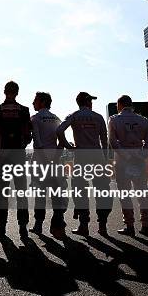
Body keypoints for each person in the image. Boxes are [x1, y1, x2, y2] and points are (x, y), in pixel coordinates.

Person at [57, 92, 112, 236]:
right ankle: (102, 225)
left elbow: (59, 130)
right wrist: (105, 160)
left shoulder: (73, 115)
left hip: (81, 156)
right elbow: (104, 142)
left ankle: (83, 225)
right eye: (91, 101)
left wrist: (67, 145)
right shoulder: (99, 117)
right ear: (88, 102)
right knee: (102, 191)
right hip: (97, 156)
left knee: (80, 190)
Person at [0, 81, 32, 237]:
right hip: (19, 155)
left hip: (2, 155)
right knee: (21, 191)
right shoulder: (24, 111)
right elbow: (29, 135)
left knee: (2, 192)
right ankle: (23, 226)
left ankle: (1, 225)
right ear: (17, 92)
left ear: (4, 91)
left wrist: (2, 144)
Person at [108, 95, 148, 236]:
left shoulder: (114, 119)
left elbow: (113, 142)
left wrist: (126, 156)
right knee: (142, 193)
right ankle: (145, 225)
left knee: (125, 193)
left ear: (119, 105)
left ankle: (130, 225)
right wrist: (140, 156)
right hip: (138, 159)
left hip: (122, 160)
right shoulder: (143, 120)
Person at [30, 92, 67, 239]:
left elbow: (38, 143)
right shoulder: (56, 118)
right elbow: (62, 141)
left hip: (40, 162)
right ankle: (58, 222)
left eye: (35, 101)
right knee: (56, 193)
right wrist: (55, 158)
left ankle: (38, 225)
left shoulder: (35, 118)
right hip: (56, 161)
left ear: (42, 102)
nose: (33, 103)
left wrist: (46, 160)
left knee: (40, 194)